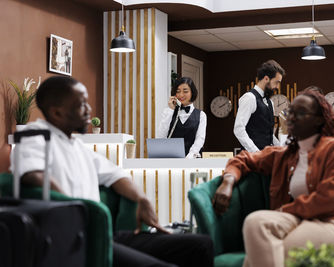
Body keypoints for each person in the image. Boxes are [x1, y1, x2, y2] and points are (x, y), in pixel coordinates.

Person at [10, 76, 213, 267]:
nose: (89, 110)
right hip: (79, 239)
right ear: (57, 112)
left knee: (201, 244)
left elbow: (116, 174)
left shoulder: (77, 145)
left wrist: (143, 199)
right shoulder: (33, 136)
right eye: (81, 104)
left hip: (104, 234)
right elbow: (32, 173)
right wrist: (78, 209)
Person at [213, 89, 334, 267]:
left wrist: (282, 212)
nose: (292, 117)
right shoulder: (285, 154)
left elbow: (328, 200)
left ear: (318, 119)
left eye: (300, 113)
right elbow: (244, 159)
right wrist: (227, 182)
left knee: (273, 249)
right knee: (255, 222)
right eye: (290, 112)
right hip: (300, 219)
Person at [234, 60, 285, 152]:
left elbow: (269, 134)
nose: (277, 87)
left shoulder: (270, 102)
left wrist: (281, 148)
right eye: (276, 82)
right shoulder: (249, 98)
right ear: (266, 79)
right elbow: (238, 129)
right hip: (251, 158)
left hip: (265, 157)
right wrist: (256, 152)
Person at [157, 77, 206, 158]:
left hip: (192, 159)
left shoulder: (201, 115)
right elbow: (161, 136)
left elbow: (200, 139)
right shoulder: (168, 112)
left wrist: (189, 157)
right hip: (171, 159)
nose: (181, 95)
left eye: (185, 91)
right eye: (178, 91)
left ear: (192, 93)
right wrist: (170, 110)